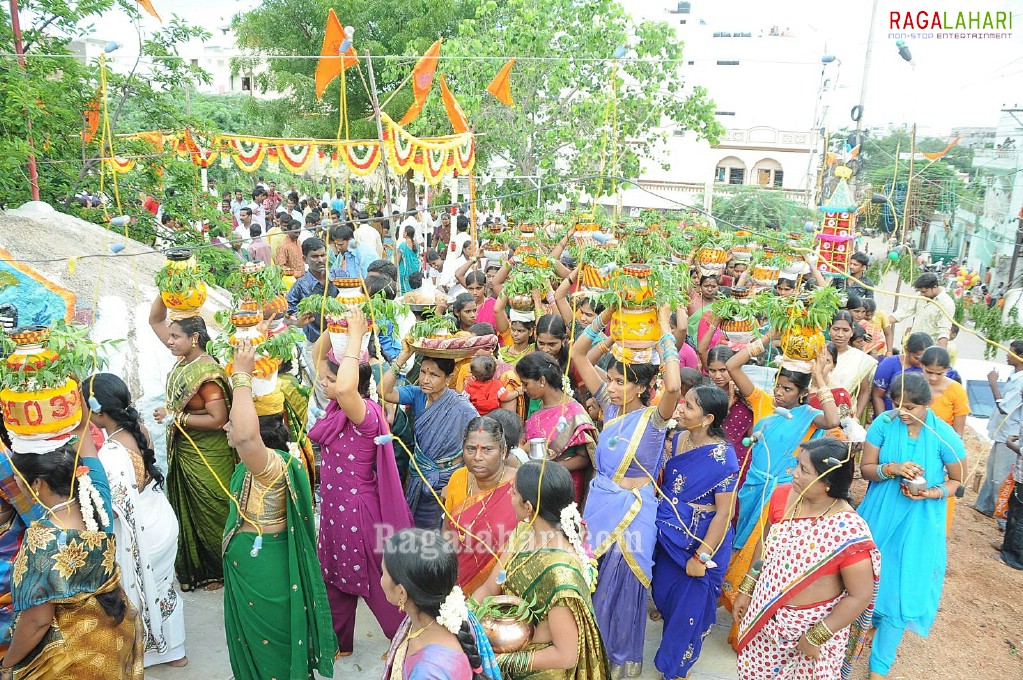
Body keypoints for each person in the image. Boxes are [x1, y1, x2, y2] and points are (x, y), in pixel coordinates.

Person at [572, 304, 682, 678]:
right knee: (592, 578)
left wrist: (664, 326)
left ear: (641, 386)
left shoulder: (654, 419)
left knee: (620, 588)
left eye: (623, 382)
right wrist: (609, 319)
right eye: (613, 380)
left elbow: (674, 385)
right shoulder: (608, 404)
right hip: (600, 504)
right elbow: (577, 354)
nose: (614, 387)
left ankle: (612, 660)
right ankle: (586, 654)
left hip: (633, 514)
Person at [221, 340, 337, 679]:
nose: (228, 426)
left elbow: (244, 437)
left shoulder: (270, 465)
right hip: (253, 565)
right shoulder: (265, 461)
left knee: (272, 655)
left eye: (233, 419)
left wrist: (241, 376)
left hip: (265, 572)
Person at [308, 308, 413, 656]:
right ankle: (341, 643)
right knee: (334, 574)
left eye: (328, 379)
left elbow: (345, 384)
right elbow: (317, 355)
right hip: (335, 508)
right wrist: (333, 326)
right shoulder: (336, 408)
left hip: (358, 511)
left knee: (374, 579)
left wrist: (355, 336)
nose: (323, 383)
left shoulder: (362, 412)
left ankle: (404, 641)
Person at [721, 343, 839, 649]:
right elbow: (733, 367)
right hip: (752, 492)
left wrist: (821, 379)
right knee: (737, 552)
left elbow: (834, 419)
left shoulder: (809, 415)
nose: (780, 393)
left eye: (787, 389)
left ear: (800, 392)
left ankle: (744, 634)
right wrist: (768, 336)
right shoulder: (763, 404)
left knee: (760, 559)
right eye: (778, 386)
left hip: (781, 497)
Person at [3, 425, 143, 678]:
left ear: (37, 483)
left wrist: (8, 663)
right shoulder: (97, 503)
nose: (16, 485)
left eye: (18, 479)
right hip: (114, 635)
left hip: (74, 658)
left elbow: (37, 622)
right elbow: (87, 446)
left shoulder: (43, 542)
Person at [733, 439, 880, 679]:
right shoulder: (782, 496)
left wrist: (817, 636)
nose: (794, 473)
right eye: (797, 465)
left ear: (827, 484)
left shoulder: (848, 532)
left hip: (812, 639)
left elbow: (860, 594)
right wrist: (747, 589)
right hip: (765, 620)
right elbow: (765, 542)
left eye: (804, 470)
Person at [858, 374, 967, 678]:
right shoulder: (883, 424)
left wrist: (932, 492)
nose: (903, 413)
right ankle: (865, 627)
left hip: (919, 520)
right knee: (866, 575)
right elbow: (867, 470)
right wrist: (891, 468)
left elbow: (958, 481)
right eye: (898, 404)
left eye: (912, 407)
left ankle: (879, 665)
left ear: (928, 405)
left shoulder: (943, 434)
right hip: (879, 513)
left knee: (904, 589)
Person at [82, 374, 187, 668]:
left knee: (139, 592)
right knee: (162, 589)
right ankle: (175, 652)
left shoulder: (111, 452)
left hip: (144, 530)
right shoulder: (138, 428)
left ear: (99, 411)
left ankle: (149, 652)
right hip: (160, 518)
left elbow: (111, 509)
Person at [473, 462, 609, 679]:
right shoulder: (523, 532)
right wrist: (464, 618)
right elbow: (493, 584)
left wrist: (500, 661)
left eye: (514, 491)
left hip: (540, 671)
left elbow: (566, 655)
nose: (510, 493)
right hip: (506, 644)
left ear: (528, 507)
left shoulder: (559, 572)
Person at [652, 385, 739, 680]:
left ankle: (675, 668)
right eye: (682, 403)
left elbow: (724, 514)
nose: (679, 410)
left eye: (688, 406)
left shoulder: (724, 459)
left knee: (688, 609)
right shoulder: (677, 440)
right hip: (669, 535)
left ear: (707, 418)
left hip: (702, 541)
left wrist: (702, 557)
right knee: (664, 595)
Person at [148, 300, 235, 591]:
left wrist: (176, 417)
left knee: (213, 509)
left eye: (176, 337)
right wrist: (167, 288)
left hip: (208, 454)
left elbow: (218, 418)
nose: (169, 342)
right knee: (190, 511)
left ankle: (225, 570)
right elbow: (155, 320)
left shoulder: (206, 373)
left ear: (194, 338)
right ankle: (200, 571)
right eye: (170, 336)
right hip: (185, 450)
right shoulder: (185, 361)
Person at [381, 343, 480, 529]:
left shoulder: (462, 408)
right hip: (418, 476)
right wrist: (403, 357)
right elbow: (384, 392)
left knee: (438, 533)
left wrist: (458, 483)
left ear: (448, 378)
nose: (426, 379)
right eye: (423, 372)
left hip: (446, 480)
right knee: (414, 530)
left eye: (434, 375)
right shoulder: (417, 394)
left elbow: (477, 445)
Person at [381, 529, 501, 680]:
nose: (381, 578)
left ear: (401, 593)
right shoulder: (455, 615)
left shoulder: (428, 673)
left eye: (383, 573)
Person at [442, 417, 518, 593]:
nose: (477, 457)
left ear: (503, 451)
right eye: (471, 449)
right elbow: (447, 529)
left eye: (487, 450)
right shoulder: (458, 478)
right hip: (456, 588)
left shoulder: (519, 486)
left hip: (503, 590)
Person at [517, 351, 597, 506]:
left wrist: (550, 468)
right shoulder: (539, 406)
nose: (523, 389)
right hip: (537, 481)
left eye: (526, 383)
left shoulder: (574, 413)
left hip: (562, 484)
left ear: (542, 380)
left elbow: (585, 459)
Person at [977, 340, 1023, 520]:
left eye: (1009, 351)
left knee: (1001, 478)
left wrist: (992, 383)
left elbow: (1005, 407)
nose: (1006, 353)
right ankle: (985, 506)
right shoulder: (1015, 374)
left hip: (1009, 435)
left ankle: (1003, 521)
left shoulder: (1021, 381)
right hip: (1001, 432)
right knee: (992, 472)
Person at [703, 346, 754, 486]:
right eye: (713, 371)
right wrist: (727, 406)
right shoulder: (705, 395)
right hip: (711, 457)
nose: (717, 376)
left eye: (722, 370)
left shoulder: (746, 396)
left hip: (741, 460)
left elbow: (752, 432)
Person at [828, 311, 876, 419]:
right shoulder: (818, 351)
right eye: (836, 329)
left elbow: (864, 391)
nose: (840, 335)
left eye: (845, 330)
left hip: (845, 416)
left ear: (852, 331)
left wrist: (855, 419)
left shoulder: (861, 359)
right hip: (817, 411)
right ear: (829, 329)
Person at [871, 332, 933, 415]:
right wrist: (883, 421)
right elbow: (877, 396)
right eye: (917, 358)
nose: (922, 362)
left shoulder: (932, 369)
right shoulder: (890, 364)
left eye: (925, 358)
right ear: (906, 350)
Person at [889, 273, 955, 348]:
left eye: (924, 291)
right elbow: (904, 311)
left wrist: (941, 354)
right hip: (913, 344)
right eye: (920, 291)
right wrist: (884, 322)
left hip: (929, 349)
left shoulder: (947, 303)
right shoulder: (921, 296)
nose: (922, 294)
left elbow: (943, 331)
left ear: (935, 287)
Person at [920, 346, 969, 436]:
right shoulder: (913, 384)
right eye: (929, 372)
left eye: (939, 374)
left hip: (942, 441)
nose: (933, 378)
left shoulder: (956, 390)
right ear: (922, 365)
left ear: (947, 369)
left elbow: (958, 433)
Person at [398, 225, 420, 295]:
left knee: (404, 290)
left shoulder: (403, 245)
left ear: (406, 233)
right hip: (415, 270)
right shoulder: (416, 244)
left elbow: (397, 260)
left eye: (403, 231)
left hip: (405, 270)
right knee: (415, 289)